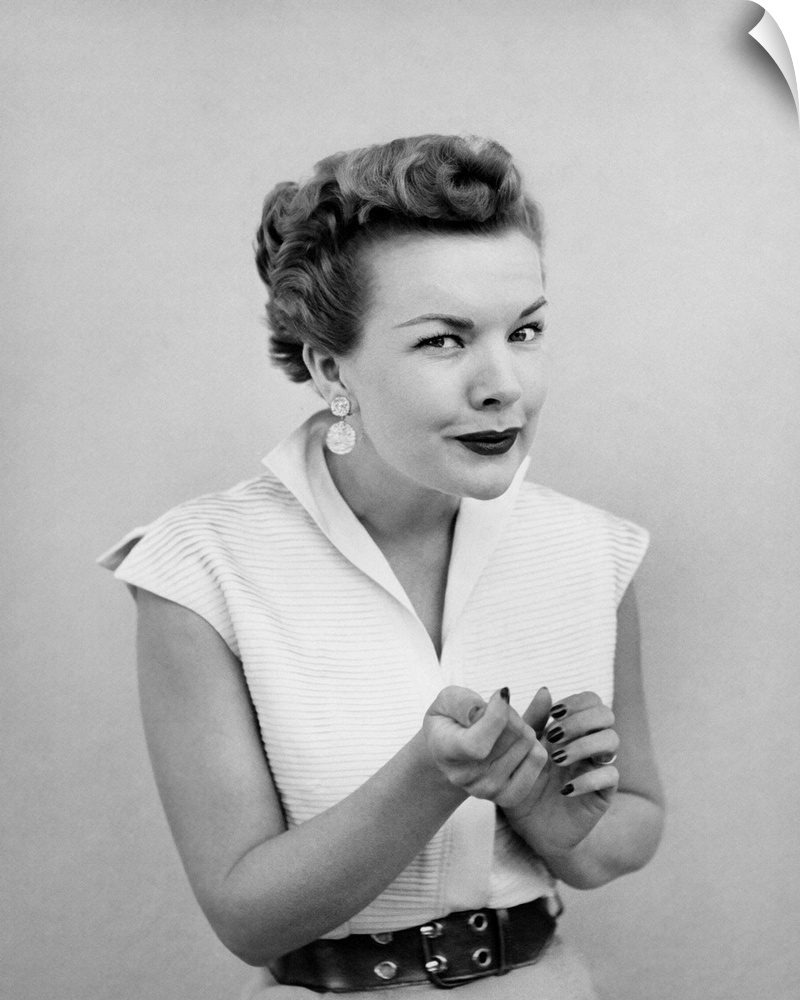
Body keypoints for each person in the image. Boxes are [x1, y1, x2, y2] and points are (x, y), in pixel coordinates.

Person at [99, 134, 664, 999]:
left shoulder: (593, 551)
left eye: (525, 330)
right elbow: (247, 919)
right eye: (443, 340)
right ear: (331, 367)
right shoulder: (201, 568)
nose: (503, 384)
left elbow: (629, 829)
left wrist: (545, 810)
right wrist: (432, 777)